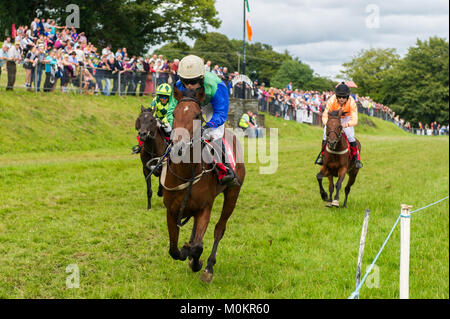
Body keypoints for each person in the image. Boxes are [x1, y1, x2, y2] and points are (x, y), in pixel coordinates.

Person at [166, 55, 237, 185]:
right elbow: (171, 112)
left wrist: (207, 126)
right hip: (189, 105)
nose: (189, 86)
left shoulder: (217, 86)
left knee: (214, 135)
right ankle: (164, 163)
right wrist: (177, 127)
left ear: (201, 78)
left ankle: (226, 169)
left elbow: (221, 113)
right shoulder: (178, 86)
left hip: (210, 107)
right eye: (185, 82)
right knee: (175, 133)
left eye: (193, 82)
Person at [315, 82, 363, 169]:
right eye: (339, 96)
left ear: (347, 96)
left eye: (344, 97)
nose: (341, 99)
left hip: (346, 119)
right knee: (325, 137)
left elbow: (355, 120)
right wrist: (329, 124)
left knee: (351, 137)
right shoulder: (331, 100)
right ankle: (322, 157)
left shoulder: (352, 103)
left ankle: (356, 159)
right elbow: (325, 115)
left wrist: (346, 124)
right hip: (333, 119)